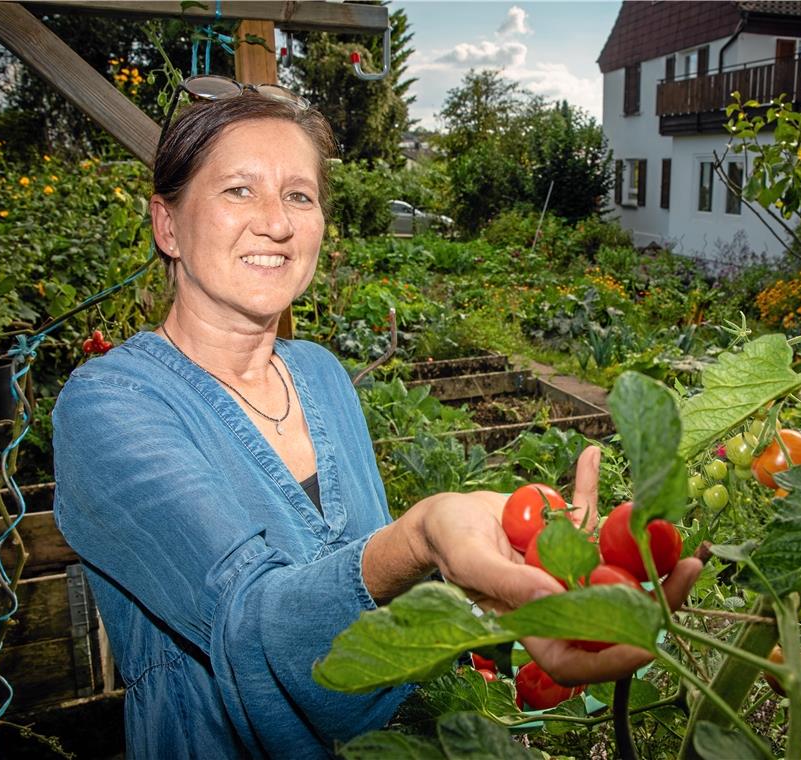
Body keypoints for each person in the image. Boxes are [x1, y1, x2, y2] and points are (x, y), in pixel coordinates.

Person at [52, 80, 703, 758]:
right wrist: (421, 535)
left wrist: (499, 578)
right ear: (167, 224)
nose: (276, 220)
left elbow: (368, 611)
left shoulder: (322, 377)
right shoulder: (111, 406)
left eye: (300, 195)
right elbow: (250, 628)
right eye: (238, 189)